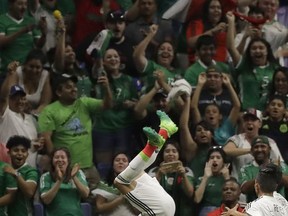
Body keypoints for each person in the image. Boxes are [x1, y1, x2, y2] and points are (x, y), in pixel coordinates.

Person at [38, 73, 112, 193]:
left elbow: (107, 105)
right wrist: (57, 167)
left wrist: (106, 87)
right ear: (59, 92)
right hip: (67, 169)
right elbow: (47, 140)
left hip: (88, 166)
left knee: (99, 198)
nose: (74, 89)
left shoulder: (84, 103)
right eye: (68, 87)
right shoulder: (49, 111)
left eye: (74, 86)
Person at [113, 110, 178, 216]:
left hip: (165, 206)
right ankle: (159, 137)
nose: (121, 163)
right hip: (164, 206)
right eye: (118, 160)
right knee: (120, 181)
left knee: (132, 174)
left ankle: (165, 131)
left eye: (124, 160)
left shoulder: (134, 175)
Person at [92, 48, 139, 178]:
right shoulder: (99, 79)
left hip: (123, 128)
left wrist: (132, 104)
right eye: (109, 57)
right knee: (103, 168)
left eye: (115, 56)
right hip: (103, 128)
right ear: (104, 62)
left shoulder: (129, 81)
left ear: (120, 59)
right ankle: (103, 194)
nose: (113, 59)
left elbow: (138, 103)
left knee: (122, 167)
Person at [226, 11, 280, 111]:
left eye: (261, 48)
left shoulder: (275, 68)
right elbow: (230, 48)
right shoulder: (243, 66)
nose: (257, 51)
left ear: (267, 51)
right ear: (249, 52)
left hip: (268, 116)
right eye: (254, 48)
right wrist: (231, 22)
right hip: (246, 115)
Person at [0, 61, 44, 168]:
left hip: (30, 172)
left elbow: (30, 145)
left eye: (22, 98)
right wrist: (10, 74)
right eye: (15, 98)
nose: (20, 101)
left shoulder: (32, 119)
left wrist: (36, 144)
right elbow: (3, 97)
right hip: (9, 170)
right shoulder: (6, 115)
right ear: (9, 100)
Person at [224, 108, 283, 180]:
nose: (249, 122)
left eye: (253, 120)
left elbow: (280, 162)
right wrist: (250, 150)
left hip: (263, 183)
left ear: (260, 123)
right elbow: (225, 151)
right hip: (238, 183)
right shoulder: (237, 139)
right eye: (246, 120)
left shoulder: (269, 142)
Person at [0, 0, 47, 80]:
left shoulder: (31, 20)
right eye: (20, 4)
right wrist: (22, 31)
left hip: (27, 72)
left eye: (25, 4)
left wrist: (44, 34)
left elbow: (38, 45)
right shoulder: (2, 20)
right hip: (8, 72)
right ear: (10, 5)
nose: (23, 7)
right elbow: (1, 42)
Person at [190, 70, 240, 145]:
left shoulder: (227, 126)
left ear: (220, 116)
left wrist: (228, 85)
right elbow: (194, 107)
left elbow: (237, 106)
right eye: (208, 112)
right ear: (205, 117)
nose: (211, 113)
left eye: (214, 112)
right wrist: (200, 85)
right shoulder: (201, 127)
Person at [148, 140, 194, 216]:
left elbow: (190, 193)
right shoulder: (154, 171)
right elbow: (149, 192)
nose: (170, 154)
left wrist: (183, 175)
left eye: (174, 151)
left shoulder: (187, 170)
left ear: (179, 154)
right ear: (162, 154)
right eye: (167, 151)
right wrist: (159, 175)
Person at [222, 163, 288, 216]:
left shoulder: (256, 205)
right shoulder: (282, 200)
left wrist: (234, 213)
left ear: (256, 186)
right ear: (276, 186)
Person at [40, 147, 89, 216]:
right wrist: (59, 181)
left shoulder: (78, 173)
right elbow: (46, 200)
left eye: (63, 157)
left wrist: (74, 177)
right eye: (57, 157)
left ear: (68, 161)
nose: (60, 160)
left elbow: (85, 194)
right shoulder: (46, 176)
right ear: (52, 160)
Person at [238, 135, 288, 203]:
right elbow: (244, 189)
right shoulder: (246, 168)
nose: (259, 149)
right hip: (255, 209)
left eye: (263, 146)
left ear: (269, 149)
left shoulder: (281, 165)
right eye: (256, 147)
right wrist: (263, 174)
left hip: (278, 208)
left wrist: (276, 173)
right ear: (251, 150)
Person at [4, 135, 39, 216]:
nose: (20, 153)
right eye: (16, 150)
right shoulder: (4, 169)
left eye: (23, 151)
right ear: (9, 153)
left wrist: (16, 174)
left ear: (27, 154)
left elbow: (29, 192)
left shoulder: (31, 171)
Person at [194, 146, 231, 216]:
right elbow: (197, 199)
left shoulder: (230, 179)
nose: (214, 160)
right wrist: (205, 177)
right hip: (206, 212)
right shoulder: (201, 179)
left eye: (218, 157)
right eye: (212, 157)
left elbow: (232, 198)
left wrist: (227, 177)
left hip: (224, 211)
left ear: (223, 162)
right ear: (207, 162)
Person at [15, 49, 52, 114]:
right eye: (31, 66)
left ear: (42, 68)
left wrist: (34, 114)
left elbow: (45, 103)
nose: (34, 70)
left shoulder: (45, 75)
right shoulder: (18, 72)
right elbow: (8, 97)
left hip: (34, 115)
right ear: (25, 65)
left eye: (38, 67)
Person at [260, 95, 288, 163]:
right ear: (268, 108)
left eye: (279, 105)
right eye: (273, 104)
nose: (275, 107)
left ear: (284, 110)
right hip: (265, 160)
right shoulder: (260, 123)